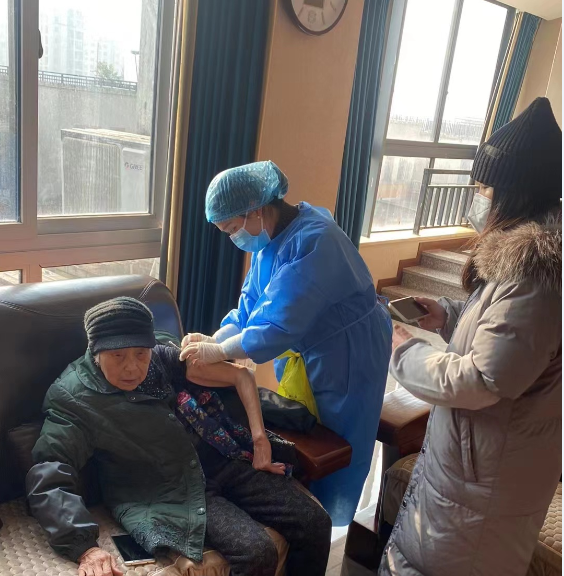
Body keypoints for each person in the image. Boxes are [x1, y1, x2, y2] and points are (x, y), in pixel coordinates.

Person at [379, 97, 562, 576]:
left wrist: (404, 351)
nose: (478, 197)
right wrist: (449, 314)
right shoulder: (525, 266)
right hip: (480, 471)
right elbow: (505, 332)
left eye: (484, 187)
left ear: (513, 192)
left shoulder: (535, 275)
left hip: (486, 490)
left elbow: (481, 379)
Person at [26, 297, 331, 576]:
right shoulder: (73, 396)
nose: (132, 367)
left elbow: (234, 376)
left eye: (140, 354)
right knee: (256, 551)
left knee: (314, 522)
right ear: (96, 352)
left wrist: (260, 439)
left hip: (218, 459)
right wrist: (84, 547)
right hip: (167, 488)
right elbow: (50, 471)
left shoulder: (160, 356)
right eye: (117, 355)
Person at [179, 160, 393, 525]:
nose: (234, 238)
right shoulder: (269, 242)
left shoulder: (315, 241)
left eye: (232, 229)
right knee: (301, 424)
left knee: (334, 441)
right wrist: (216, 338)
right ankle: (307, 505)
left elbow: (277, 327)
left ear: (256, 210)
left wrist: (219, 351)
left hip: (349, 352)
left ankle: (323, 517)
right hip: (310, 347)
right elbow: (251, 310)